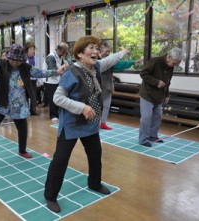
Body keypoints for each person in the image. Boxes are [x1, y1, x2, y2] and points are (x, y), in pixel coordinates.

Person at [44, 36, 129, 213]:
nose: (96, 51)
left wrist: (121, 53)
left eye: (96, 48)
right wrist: (81, 107)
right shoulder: (71, 73)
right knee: (60, 160)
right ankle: (50, 196)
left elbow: (108, 60)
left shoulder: (95, 67)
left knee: (95, 154)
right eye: (91, 48)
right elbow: (57, 98)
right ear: (80, 53)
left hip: (90, 123)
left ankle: (94, 183)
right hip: (71, 124)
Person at [0, 43, 67, 162]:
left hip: (18, 104)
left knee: (23, 128)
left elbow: (41, 72)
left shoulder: (25, 67)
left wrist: (57, 71)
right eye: (13, 59)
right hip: (1, 102)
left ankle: (22, 150)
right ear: (9, 57)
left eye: (18, 60)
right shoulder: (1, 65)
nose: (15, 62)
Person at [139, 47, 183, 147]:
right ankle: (143, 139)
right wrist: (156, 82)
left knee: (157, 116)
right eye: (175, 62)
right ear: (169, 57)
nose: (175, 65)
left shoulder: (171, 67)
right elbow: (143, 73)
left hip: (159, 95)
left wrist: (167, 94)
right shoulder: (155, 61)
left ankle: (153, 136)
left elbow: (168, 82)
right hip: (147, 94)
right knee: (146, 117)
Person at [99, 41, 141, 130]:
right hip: (97, 88)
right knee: (96, 106)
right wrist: (122, 53)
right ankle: (94, 124)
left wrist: (133, 62)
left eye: (109, 52)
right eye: (106, 51)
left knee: (106, 106)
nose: (108, 53)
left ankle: (103, 123)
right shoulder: (96, 60)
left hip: (107, 86)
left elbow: (119, 65)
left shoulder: (109, 61)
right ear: (100, 50)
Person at [43, 42, 69, 121]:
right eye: (64, 52)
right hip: (50, 82)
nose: (65, 54)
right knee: (52, 99)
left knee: (58, 97)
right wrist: (63, 67)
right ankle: (53, 115)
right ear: (61, 50)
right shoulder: (51, 57)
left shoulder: (59, 57)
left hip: (57, 81)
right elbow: (52, 71)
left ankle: (58, 114)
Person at [25, 42, 39, 115]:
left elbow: (37, 69)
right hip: (26, 79)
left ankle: (33, 110)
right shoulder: (24, 58)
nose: (32, 51)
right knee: (26, 95)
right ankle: (26, 110)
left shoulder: (36, 58)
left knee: (33, 95)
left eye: (33, 49)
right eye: (30, 49)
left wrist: (39, 80)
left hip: (33, 79)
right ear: (27, 50)